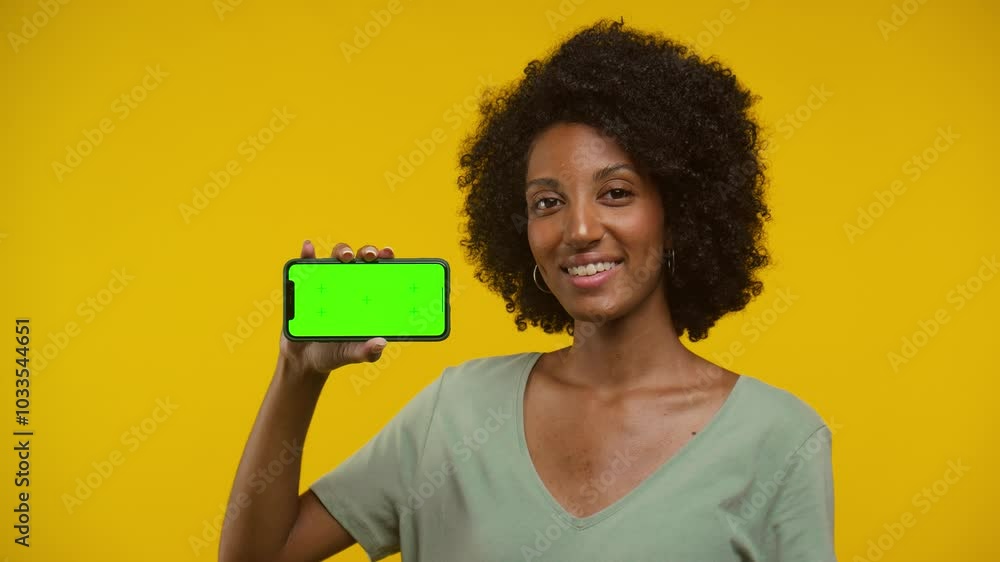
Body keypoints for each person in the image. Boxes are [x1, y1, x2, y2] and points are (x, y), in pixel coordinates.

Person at [219, 19, 836, 562]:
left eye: (616, 192)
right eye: (548, 202)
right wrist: (298, 374)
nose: (581, 229)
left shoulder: (776, 438)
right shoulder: (454, 413)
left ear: (678, 212)